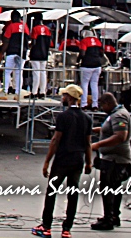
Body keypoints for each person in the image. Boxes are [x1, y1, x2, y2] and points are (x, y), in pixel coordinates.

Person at [32, 84, 92, 238]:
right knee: (73, 193)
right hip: (78, 159)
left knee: (52, 191)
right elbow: (88, 143)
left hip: (63, 159)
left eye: (64, 95)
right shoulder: (86, 118)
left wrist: (47, 161)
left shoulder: (63, 117)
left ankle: (46, 226)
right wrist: (88, 162)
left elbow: (55, 140)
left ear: (70, 98)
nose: (62, 98)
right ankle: (67, 229)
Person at [89, 92, 131, 231]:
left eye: (102, 106)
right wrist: (94, 131)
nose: (102, 109)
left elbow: (120, 136)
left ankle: (109, 219)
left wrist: (98, 145)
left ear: (108, 103)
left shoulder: (119, 115)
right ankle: (113, 215)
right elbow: (109, 129)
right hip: (112, 157)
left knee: (108, 188)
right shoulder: (115, 114)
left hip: (115, 158)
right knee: (113, 188)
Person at [0, 10, 28, 95]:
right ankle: (18, 91)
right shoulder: (25, 26)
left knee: (7, 72)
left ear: (13, 17)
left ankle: (5, 90)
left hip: (12, 52)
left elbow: (6, 40)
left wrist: (2, 52)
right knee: (19, 72)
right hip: (22, 52)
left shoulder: (11, 26)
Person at [78, 29, 104, 109]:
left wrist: (78, 60)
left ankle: (83, 104)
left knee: (84, 84)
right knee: (94, 84)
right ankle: (95, 105)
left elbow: (82, 53)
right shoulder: (98, 41)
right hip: (97, 65)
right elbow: (102, 53)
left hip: (86, 65)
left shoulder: (84, 41)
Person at [29, 14, 53, 99]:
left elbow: (34, 42)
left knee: (36, 73)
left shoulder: (35, 29)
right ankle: (43, 92)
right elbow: (50, 43)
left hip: (36, 53)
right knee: (43, 73)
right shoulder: (48, 29)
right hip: (44, 54)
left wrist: (30, 46)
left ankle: (34, 92)